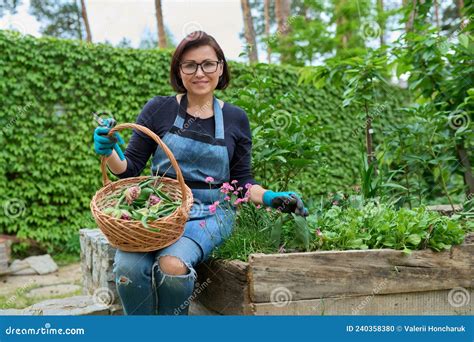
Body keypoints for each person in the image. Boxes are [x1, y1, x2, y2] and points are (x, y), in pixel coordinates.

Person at [93, 31, 308, 315]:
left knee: (172, 265)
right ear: (179, 71)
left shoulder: (235, 118)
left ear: (220, 67)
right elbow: (128, 170)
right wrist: (109, 150)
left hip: (210, 212)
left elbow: (241, 182)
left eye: (208, 64)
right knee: (128, 268)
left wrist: (271, 198)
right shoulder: (159, 109)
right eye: (189, 65)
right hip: (160, 209)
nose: (200, 72)